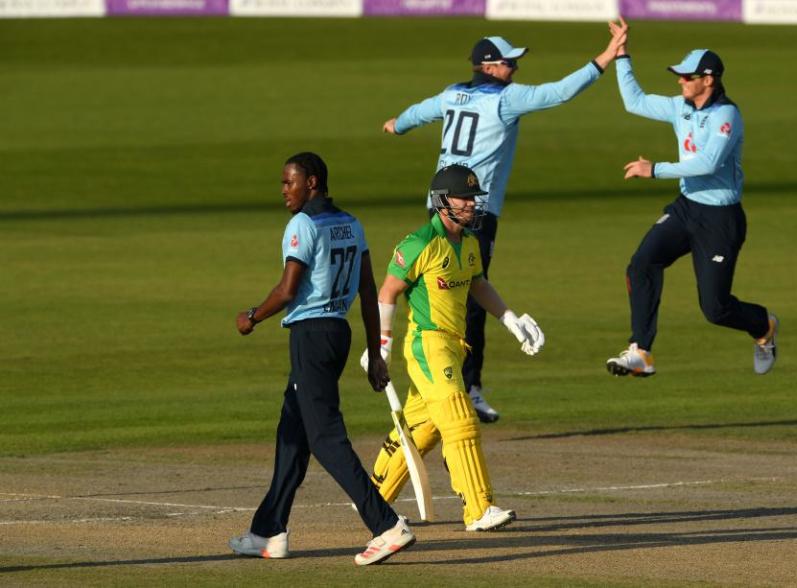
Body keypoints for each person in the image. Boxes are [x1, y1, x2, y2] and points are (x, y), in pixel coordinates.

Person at [382, 28, 626, 423]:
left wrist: (398, 125)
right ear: (488, 66)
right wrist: (605, 58)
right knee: (469, 291)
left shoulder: (452, 94)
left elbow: (418, 112)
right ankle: (466, 385)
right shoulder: (505, 100)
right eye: (508, 62)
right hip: (473, 210)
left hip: (438, 205)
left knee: (435, 284)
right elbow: (559, 92)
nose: (514, 68)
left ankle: (438, 374)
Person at [228, 152, 415, 566]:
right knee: (292, 435)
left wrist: (253, 316)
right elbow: (368, 291)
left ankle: (386, 525)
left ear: (311, 182)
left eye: (288, 182)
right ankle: (268, 531)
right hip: (338, 335)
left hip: (311, 337)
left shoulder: (302, 225)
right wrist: (377, 352)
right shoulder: (352, 223)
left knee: (326, 439)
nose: (283, 191)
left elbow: (289, 289)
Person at [360, 164, 545, 531]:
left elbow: (478, 284)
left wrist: (511, 319)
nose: (472, 206)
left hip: (455, 347)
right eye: (465, 199)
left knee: (422, 429)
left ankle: (371, 501)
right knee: (460, 418)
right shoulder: (418, 244)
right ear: (442, 202)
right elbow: (387, 291)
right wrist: (381, 346)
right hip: (428, 344)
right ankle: (478, 509)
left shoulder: (470, 244)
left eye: (474, 199)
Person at [605, 19, 778, 378]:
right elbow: (633, 102)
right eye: (680, 76)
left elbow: (707, 163)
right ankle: (641, 352)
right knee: (641, 265)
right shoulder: (680, 106)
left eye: (687, 76)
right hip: (686, 210)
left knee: (715, 310)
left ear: (708, 79)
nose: (680, 81)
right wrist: (622, 55)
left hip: (720, 219)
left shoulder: (726, 115)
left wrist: (654, 170)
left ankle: (763, 326)